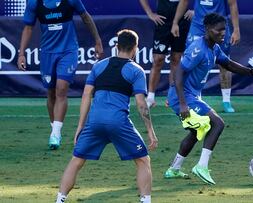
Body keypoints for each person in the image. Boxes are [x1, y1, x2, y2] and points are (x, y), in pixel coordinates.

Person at [55, 29, 158, 203]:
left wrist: (81, 126)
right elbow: (141, 104)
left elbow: (86, 95)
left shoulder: (98, 66)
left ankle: (60, 199)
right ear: (136, 48)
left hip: (94, 121)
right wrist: (150, 132)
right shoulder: (136, 70)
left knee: (76, 161)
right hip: (118, 122)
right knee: (143, 160)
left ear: (116, 46)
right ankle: (145, 200)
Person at [164, 13, 253, 185]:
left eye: (224, 30)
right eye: (219, 30)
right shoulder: (197, 49)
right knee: (217, 123)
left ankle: (174, 169)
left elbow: (228, 64)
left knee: (197, 132)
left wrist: (251, 72)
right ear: (208, 30)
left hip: (191, 96)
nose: (223, 33)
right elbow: (178, 73)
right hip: (183, 97)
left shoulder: (214, 48)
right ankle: (201, 166)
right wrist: (182, 104)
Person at [17, 0, 104, 150]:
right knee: (50, 92)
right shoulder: (34, 3)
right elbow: (28, 28)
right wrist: (22, 53)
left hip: (68, 50)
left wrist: (98, 41)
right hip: (47, 52)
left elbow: (86, 17)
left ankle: (56, 134)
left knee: (61, 89)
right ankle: (54, 128)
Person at [171, 0, 241, 113]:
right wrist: (175, 22)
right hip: (198, 26)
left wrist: (236, 29)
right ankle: (188, 97)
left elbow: (232, 4)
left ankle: (226, 101)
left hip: (219, 27)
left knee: (224, 64)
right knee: (191, 64)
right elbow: (184, 1)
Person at [139, 0, 193, 108]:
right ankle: (150, 97)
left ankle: (171, 97)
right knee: (158, 59)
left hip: (182, 22)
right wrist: (150, 13)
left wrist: (195, 10)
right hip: (162, 21)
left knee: (176, 59)